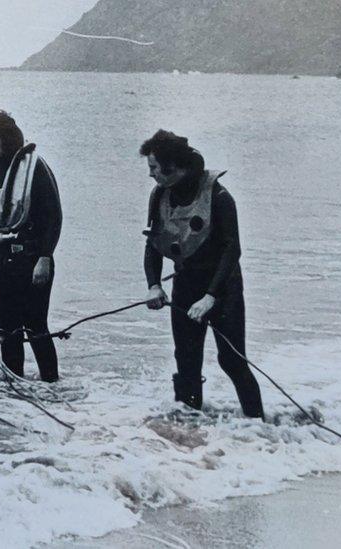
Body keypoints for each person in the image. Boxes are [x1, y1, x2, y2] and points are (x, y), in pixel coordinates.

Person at [141, 130, 264, 418]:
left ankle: (259, 428)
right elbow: (153, 244)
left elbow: (233, 251)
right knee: (186, 360)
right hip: (186, 283)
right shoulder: (160, 195)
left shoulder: (220, 197)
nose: (151, 175)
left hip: (223, 286)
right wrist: (154, 285)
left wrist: (210, 297)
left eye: (154, 168)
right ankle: (188, 429)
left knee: (232, 361)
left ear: (175, 167)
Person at [0, 110, 62, 383]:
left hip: (31, 259)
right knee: (8, 330)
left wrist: (45, 257)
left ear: (5, 139)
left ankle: (51, 385)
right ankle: (14, 388)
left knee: (36, 327)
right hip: (3, 261)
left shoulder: (35, 168)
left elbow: (53, 217)